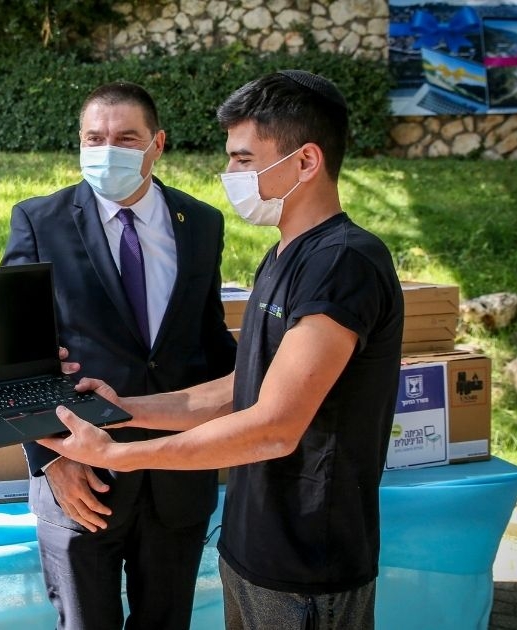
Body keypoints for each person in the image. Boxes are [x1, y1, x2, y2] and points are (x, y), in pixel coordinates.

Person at [40, 70, 405, 630]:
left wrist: (120, 454)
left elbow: (274, 426)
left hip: (309, 560)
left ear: (306, 162)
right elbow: (242, 389)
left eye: (242, 159)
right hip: (254, 546)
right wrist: (122, 410)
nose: (230, 174)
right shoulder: (283, 256)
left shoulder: (342, 264)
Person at [2, 81, 237, 629]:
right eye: (95, 138)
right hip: (81, 477)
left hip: (178, 478)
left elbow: (209, 340)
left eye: (126, 138)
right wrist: (50, 462)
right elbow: (16, 355)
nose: (108, 149)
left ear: (158, 144)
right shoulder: (40, 221)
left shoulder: (202, 223)